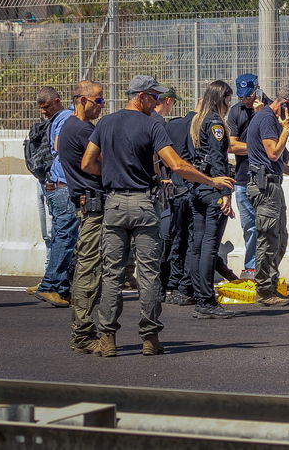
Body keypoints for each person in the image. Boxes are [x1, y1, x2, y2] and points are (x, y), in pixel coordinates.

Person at [81, 75, 234, 357]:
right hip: (143, 203)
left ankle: (108, 338)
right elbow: (176, 165)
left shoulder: (106, 123)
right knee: (149, 274)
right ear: (141, 97)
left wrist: (113, 171)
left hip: (114, 204)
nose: (158, 102)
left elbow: (87, 162)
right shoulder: (152, 124)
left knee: (112, 274)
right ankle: (150, 338)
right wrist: (211, 181)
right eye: (154, 97)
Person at [244, 83, 289, 307]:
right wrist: (287, 130)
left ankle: (270, 286)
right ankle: (264, 290)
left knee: (279, 239)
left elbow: (277, 161)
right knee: (269, 238)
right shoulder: (266, 119)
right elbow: (273, 153)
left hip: (272, 184)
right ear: (284, 104)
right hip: (265, 188)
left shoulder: (271, 120)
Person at [184, 80, 239, 319]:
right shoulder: (215, 122)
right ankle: (206, 300)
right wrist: (225, 192)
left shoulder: (197, 121)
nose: (230, 103)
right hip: (212, 187)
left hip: (198, 186)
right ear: (221, 98)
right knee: (209, 246)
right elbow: (218, 158)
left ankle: (200, 297)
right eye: (228, 99)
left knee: (197, 246)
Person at [58, 79, 106, 352]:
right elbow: (100, 163)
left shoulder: (69, 126)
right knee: (89, 269)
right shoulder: (83, 130)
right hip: (93, 206)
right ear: (82, 100)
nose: (102, 105)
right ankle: (84, 335)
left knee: (88, 267)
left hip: (87, 204)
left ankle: (85, 331)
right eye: (98, 100)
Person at [27, 86, 74, 307]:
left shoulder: (57, 120)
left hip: (51, 184)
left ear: (57, 100)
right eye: (42, 107)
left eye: (45, 107)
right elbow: (59, 146)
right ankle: (51, 285)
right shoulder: (66, 119)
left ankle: (59, 287)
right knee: (64, 237)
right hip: (62, 185)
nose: (43, 111)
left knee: (59, 236)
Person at [155, 86, 196, 306]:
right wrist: (162, 177)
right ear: (168, 101)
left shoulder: (165, 124)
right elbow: (161, 157)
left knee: (167, 237)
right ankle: (164, 285)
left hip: (162, 188)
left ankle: (163, 285)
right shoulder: (159, 124)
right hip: (162, 189)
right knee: (167, 237)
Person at [227, 73, 262, 280]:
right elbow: (231, 145)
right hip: (242, 178)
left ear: (257, 89)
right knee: (250, 227)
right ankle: (251, 268)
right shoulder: (236, 111)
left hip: (265, 179)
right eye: (242, 96)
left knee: (268, 228)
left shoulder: (269, 109)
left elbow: (274, 144)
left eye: (248, 95)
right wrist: (257, 148)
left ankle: (266, 270)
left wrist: (260, 115)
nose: (245, 100)